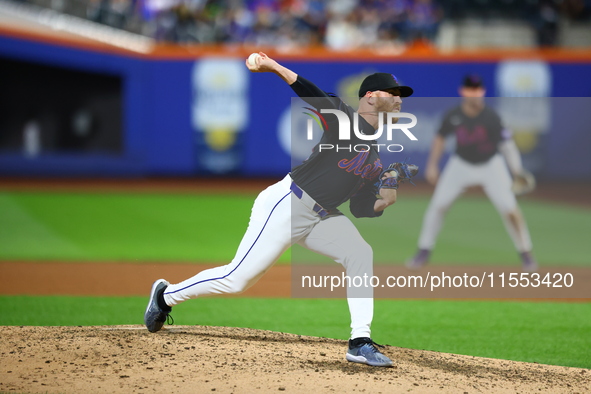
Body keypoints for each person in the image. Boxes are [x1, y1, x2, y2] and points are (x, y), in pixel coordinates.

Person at [144, 53, 418, 367]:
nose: (399, 100)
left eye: (401, 96)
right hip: (288, 203)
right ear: (371, 97)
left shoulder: (375, 156)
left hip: (322, 215)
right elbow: (310, 92)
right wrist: (272, 66)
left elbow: (361, 206)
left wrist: (387, 194)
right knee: (237, 279)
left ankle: (360, 341)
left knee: (360, 253)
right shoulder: (344, 118)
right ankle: (165, 295)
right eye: (393, 94)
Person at [407, 74, 537, 272]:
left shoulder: (492, 117)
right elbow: (440, 138)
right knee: (438, 205)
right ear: (463, 92)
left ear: (482, 92)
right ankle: (424, 250)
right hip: (461, 164)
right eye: (470, 90)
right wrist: (432, 165)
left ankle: (526, 252)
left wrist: (516, 171)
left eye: (477, 90)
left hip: (491, 165)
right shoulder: (453, 115)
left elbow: (507, 146)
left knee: (510, 209)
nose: (474, 94)